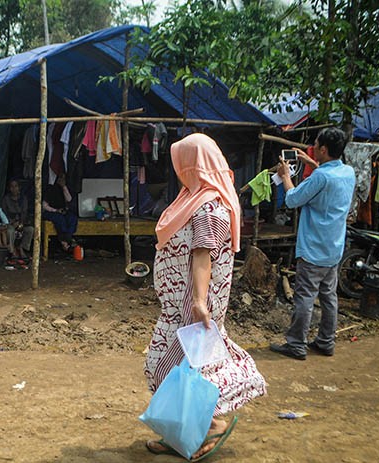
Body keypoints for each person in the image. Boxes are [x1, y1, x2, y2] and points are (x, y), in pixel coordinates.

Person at [145, 134, 266, 460]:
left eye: (182, 164)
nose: (179, 171)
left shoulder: (208, 207)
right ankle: (180, 434)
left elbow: (202, 257)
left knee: (178, 368)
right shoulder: (195, 199)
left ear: (193, 165)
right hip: (179, 306)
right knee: (176, 369)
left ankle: (211, 425)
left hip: (192, 306)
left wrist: (198, 302)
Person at [271, 127, 356, 360]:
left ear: (324, 149)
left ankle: (296, 344)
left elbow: (292, 199)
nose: (313, 148)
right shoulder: (347, 172)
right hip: (334, 247)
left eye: (316, 145)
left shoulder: (321, 176)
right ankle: (326, 341)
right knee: (329, 296)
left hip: (313, 248)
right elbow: (327, 180)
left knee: (305, 297)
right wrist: (311, 161)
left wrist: (286, 176)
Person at [42, 173, 78, 253]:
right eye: (60, 178)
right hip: (50, 211)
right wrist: (55, 210)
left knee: (72, 217)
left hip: (62, 211)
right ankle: (65, 240)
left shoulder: (65, 187)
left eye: (63, 178)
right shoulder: (50, 188)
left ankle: (67, 237)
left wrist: (63, 187)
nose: (62, 180)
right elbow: (44, 206)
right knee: (60, 219)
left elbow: (69, 199)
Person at [1, 179, 35, 258]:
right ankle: (12, 251)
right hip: (9, 223)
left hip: (21, 222)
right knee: (10, 230)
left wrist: (21, 222)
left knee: (30, 230)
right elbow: (3, 214)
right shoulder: (6, 199)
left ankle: (22, 248)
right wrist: (11, 222)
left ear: (19, 187)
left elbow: (24, 213)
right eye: (12, 187)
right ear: (9, 188)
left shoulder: (23, 199)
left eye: (16, 186)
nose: (14, 188)